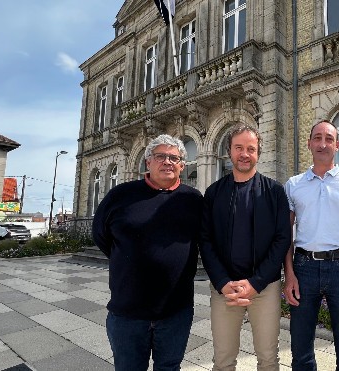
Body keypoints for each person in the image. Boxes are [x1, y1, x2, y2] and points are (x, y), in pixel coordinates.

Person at [92, 134, 203, 371]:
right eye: (160, 156)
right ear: (147, 162)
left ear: (182, 166)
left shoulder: (193, 200)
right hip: (128, 312)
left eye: (174, 158)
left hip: (176, 311)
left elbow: (205, 241)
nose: (168, 162)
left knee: (169, 368)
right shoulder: (120, 196)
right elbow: (101, 236)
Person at [200, 123, 292, 371]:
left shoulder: (274, 192)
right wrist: (221, 281)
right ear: (229, 151)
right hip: (225, 290)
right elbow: (205, 240)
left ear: (258, 153)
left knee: (269, 358)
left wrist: (257, 282)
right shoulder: (213, 193)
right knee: (223, 360)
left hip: (265, 288)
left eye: (250, 149)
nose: (244, 154)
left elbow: (282, 238)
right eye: (238, 147)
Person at [283, 120, 339, 371]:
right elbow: (286, 235)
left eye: (329, 139)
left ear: (338, 145)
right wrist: (289, 275)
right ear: (310, 143)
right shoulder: (293, 185)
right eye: (318, 138)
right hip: (304, 269)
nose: (323, 144)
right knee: (300, 352)